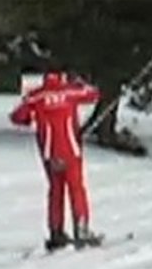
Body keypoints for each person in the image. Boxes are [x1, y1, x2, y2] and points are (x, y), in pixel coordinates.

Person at [10, 70, 103, 251]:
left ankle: (56, 232)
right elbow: (93, 94)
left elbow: (17, 116)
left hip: (49, 152)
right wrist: (81, 83)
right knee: (76, 189)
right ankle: (81, 229)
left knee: (55, 191)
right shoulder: (70, 92)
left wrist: (30, 118)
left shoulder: (36, 96)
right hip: (71, 150)